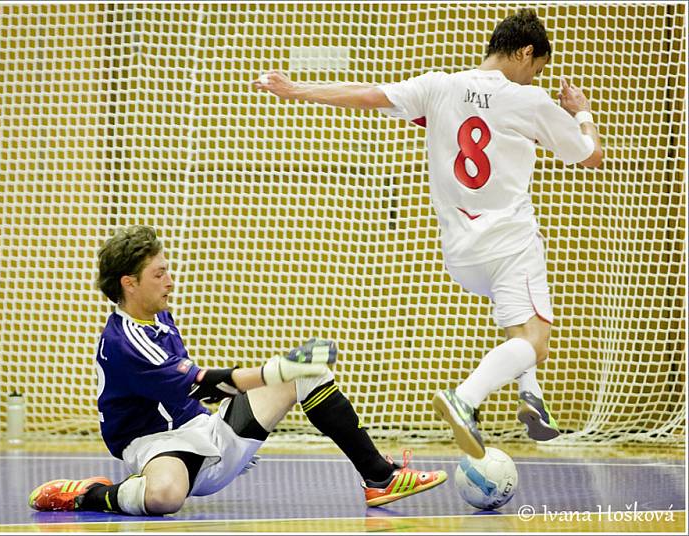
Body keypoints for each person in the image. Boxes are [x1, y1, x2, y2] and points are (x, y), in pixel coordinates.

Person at [253, 8, 603, 459]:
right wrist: (582, 113)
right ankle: (467, 398)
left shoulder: (440, 85)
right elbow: (591, 156)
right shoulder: (531, 102)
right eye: (535, 70)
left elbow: (367, 95)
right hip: (511, 242)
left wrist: (297, 89)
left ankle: (531, 396)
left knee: (519, 330)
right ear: (525, 52)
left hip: (461, 254)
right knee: (534, 344)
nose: (534, 79)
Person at [28, 225, 447, 515]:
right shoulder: (125, 343)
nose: (170, 280)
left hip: (204, 429)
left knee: (307, 376)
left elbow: (201, 396)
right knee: (164, 497)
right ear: (129, 283)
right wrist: (279, 366)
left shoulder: (156, 314)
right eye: (159, 273)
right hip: (159, 447)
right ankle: (89, 495)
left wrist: (270, 390)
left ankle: (379, 477)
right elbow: (206, 385)